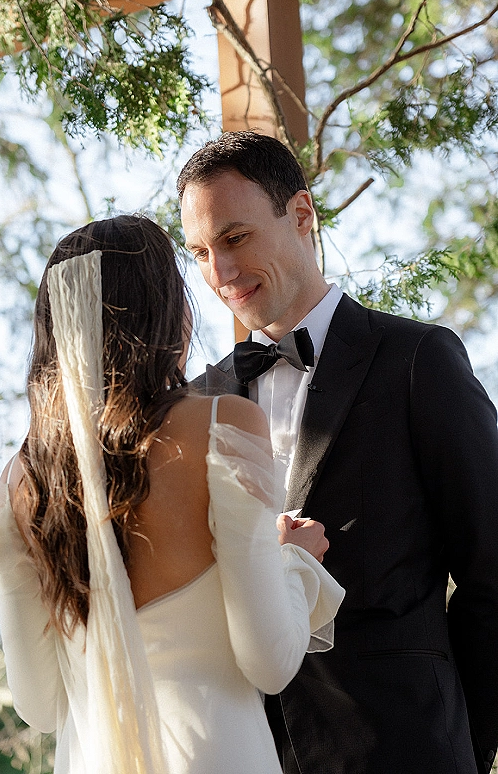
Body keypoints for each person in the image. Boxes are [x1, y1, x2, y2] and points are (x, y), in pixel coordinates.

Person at [178, 131, 498, 774]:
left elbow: (493, 568)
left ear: (301, 215)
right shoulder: (194, 405)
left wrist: (469, 744)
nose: (221, 274)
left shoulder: (417, 360)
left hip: (410, 749)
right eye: (201, 252)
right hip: (250, 754)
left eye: (235, 239)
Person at [0, 215, 344, 774]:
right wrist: (293, 561)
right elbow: (269, 662)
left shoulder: (23, 483)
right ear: (166, 312)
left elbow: (40, 705)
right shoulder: (223, 423)